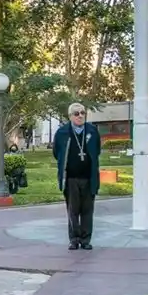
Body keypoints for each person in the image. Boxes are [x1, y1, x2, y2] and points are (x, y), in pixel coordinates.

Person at [52, 102, 101, 250]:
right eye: (76, 113)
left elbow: (97, 151)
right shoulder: (62, 133)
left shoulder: (92, 131)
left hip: (88, 177)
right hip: (71, 178)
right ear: (70, 116)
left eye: (82, 113)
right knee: (73, 210)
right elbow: (57, 153)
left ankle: (85, 240)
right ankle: (74, 239)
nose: (80, 116)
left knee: (87, 210)